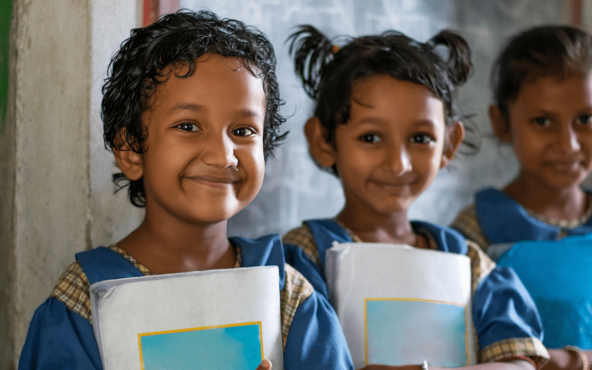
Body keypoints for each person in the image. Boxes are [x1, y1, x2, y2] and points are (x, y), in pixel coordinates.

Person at [18, 10, 352, 370]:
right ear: (130, 149)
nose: (223, 155)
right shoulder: (83, 301)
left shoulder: (289, 297)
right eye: (189, 125)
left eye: (243, 131)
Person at [282, 25, 548, 370]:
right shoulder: (305, 255)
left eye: (420, 138)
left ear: (449, 145)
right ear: (324, 141)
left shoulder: (467, 259)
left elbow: (519, 363)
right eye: (371, 137)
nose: (399, 163)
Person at [451, 26, 592, 370]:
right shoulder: (475, 230)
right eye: (542, 121)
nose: (568, 144)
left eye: (585, 119)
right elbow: (459, 350)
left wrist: (564, 360)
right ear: (502, 122)